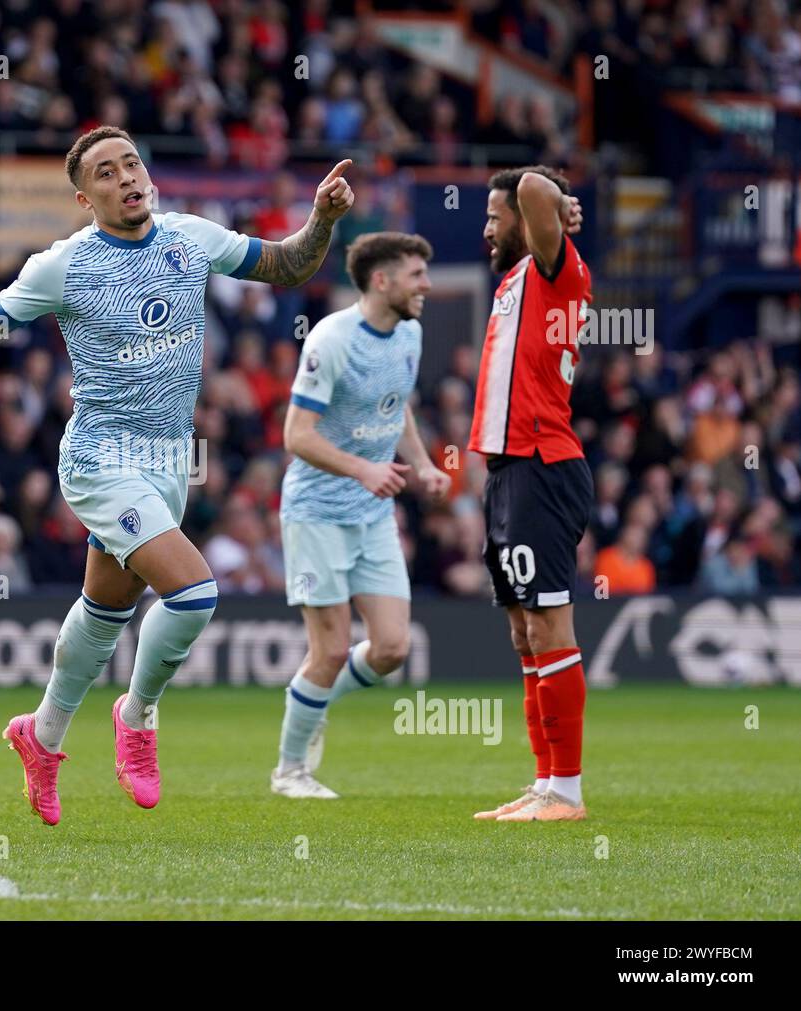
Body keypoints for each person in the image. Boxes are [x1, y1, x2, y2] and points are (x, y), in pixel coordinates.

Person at [0, 125, 355, 825]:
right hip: (100, 461)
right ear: (84, 196)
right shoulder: (63, 267)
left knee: (104, 614)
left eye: (132, 163)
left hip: (167, 464)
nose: (126, 176)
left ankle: (42, 736)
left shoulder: (190, 237)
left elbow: (286, 266)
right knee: (193, 595)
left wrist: (322, 220)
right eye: (106, 171)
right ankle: (138, 715)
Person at [272, 232, 450, 798]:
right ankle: (290, 771)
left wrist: (421, 464)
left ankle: (312, 697)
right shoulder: (332, 339)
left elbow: (397, 408)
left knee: (393, 648)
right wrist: (363, 470)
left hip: (372, 515)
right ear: (382, 280)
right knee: (327, 650)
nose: (426, 285)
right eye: (416, 274)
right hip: (316, 512)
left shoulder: (411, 335)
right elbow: (295, 436)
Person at [469, 165, 594, 822]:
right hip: (509, 472)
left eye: (495, 217)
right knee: (524, 633)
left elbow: (535, 191)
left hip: (543, 464)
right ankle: (545, 783)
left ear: (528, 222)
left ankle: (568, 790)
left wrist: (554, 201)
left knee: (549, 623)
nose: (487, 229)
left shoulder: (556, 271)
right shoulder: (517, 282)